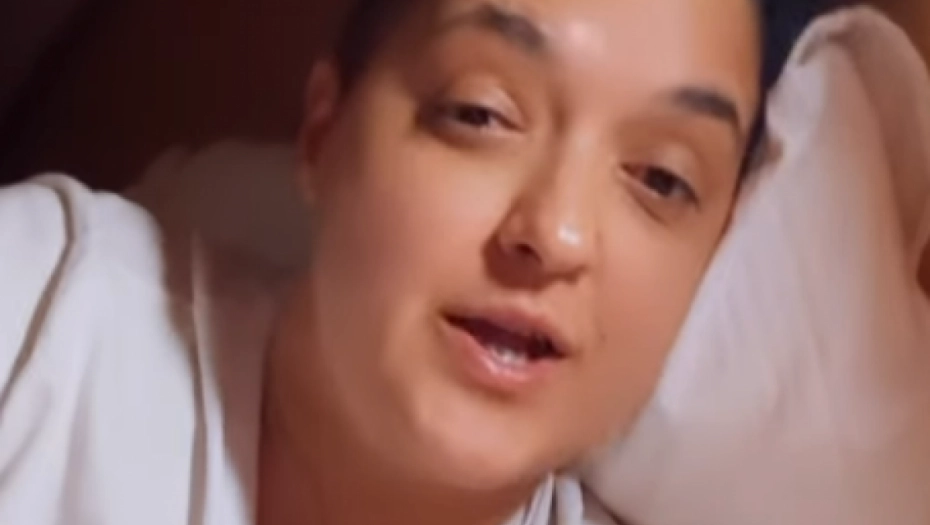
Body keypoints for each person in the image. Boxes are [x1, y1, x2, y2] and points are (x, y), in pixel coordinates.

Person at [0, 0, 842, 524]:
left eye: (661, 178)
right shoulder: (44, 325)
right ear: (323, 132)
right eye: (481, 114)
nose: (557, 233)